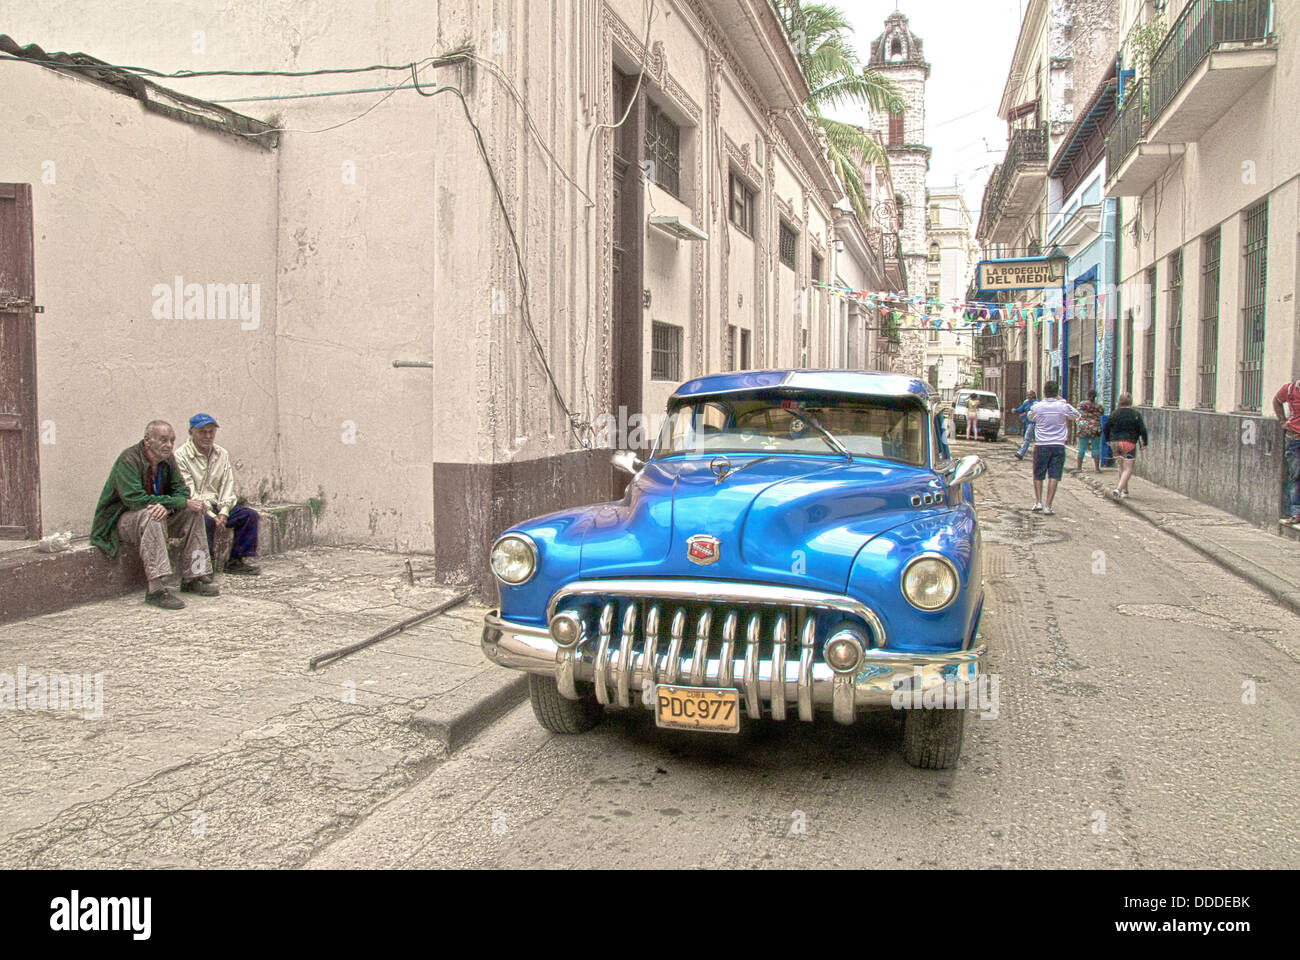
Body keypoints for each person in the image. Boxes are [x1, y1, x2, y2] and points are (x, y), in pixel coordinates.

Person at [90, 420, 218, 609]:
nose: (169, 445)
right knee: (153, 516)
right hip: (123, 519)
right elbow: (134, 499)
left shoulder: (167, 460)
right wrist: (172, 504)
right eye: (163, 440)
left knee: (194, 513)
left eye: (172, 441)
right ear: (148, 441)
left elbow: (182, 491)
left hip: (156, 511)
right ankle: (156, 589)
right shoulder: (128, 460)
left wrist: (168, 506)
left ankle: (194, 576)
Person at [175, 413, 262, 574]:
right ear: (191, 432)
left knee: (249, 516)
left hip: (217, 504)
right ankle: (203, 568)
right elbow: (189, 490)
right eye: (202, 432)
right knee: (203, 523)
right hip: (196, 506)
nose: (207, 436)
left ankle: (236, 560)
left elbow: (227, 484)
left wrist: (223, 512)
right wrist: (210, 514)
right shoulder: (181, 456)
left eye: (211, 432)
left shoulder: (221, 454)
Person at [1027, 381, 1079, 516]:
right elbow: (1076, 415)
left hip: (1042, 444)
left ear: (1044, 391)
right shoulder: (1063, 406)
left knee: (1038, 474)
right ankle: (1048, 506)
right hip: (1058, 445)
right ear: (1057, 392)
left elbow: (1030, 417)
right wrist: (1062, 401)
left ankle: (1038, 501)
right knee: (1054, 475)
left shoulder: (1037, 406)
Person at [1103, 393, 1149, 499]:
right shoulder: (1135, 414)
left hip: (1116, 444)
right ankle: (1119, 489)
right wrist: (1144, 442)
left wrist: (1108, 440)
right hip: (1129, 444)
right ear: (1130, 401)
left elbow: (1106, 427)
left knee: (1121, 466)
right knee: (1128, 468)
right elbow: (1142, 429)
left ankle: (1125, 491)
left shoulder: (1114, 414)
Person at [1272, 378, 1300, 525]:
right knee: (1295, 475)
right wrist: (1283, 421)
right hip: (1294, 438)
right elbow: (1276, 400)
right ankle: (1296, 513)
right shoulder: (1289, 390)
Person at [1074, 389, 1104, 474]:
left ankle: (1079, 468)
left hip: (1084, 428)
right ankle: (1097, 468)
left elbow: (1077, 413)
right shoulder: (1098, 406)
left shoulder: (1082, 405)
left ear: (1087, 395)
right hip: (1095, 429)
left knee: (1081, 448)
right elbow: (1101, 413)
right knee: (1096, 448)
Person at [1014, 391, 1038, 460]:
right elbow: (1021, 409)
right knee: (1027, 438)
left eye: (1030, 395)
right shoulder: (1026, 402)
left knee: (1036, 439)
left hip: (1036, 423)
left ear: (1033, 395)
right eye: (1027, 395)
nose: (1028, 396)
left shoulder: (1036, 403)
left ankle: (1022, 453)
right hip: (1029, 423)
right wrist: (1016, 410)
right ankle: (1021, 453)